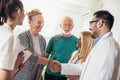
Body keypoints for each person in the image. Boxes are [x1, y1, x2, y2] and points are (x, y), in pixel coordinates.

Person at [50, 10, 120, 80]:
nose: (90, 27)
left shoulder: (109, 47)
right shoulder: (101, 44)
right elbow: (85, 67)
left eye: (91, 23)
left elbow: (104, 77)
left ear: (100, 23)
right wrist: (62, 67)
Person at [14, 9, 46, 80]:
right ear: (30, 22)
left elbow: (42, 61)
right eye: (39, 22)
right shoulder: (22, 37)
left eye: (43, 22)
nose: (41, 25)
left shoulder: (43, 40)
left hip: (35, 76)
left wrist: (40, 75)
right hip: (21, 76)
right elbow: (30, 58)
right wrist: (49, 62)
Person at [0, 0, 25, 80]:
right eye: (24, 11)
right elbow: (4, 78)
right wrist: (16, 65)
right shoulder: (11, 37)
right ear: (19, 11)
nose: (25, 15)